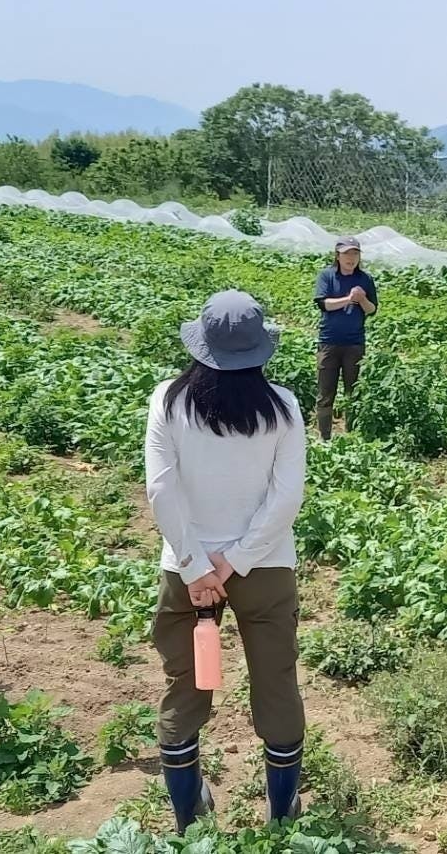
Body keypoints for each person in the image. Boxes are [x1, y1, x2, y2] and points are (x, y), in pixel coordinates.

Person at [144, 291, 308, 831]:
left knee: (188, 684)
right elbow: (285, 499)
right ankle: (283, 813)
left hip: (188, 576)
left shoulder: (169, 400)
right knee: (275, 683)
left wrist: (197, 568)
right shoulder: (282, 407)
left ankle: (189, 816)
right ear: (261, 351)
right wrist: (233, 563)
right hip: (263, 570)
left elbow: (161, 491)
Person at [312, 235, 377, 440]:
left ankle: (351, 435)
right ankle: (325, 437)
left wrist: (362, 299)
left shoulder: (365, 280)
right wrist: (349, 299)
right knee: (325, 393)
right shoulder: (327, 276)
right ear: (337, 256)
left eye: (355, 253)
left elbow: (371, 309)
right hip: (329, 341)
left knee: (353, 391)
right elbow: (324, 304)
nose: (351, 258)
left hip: (355, 343)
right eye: (347, 253)